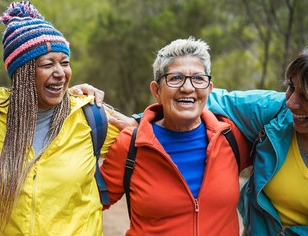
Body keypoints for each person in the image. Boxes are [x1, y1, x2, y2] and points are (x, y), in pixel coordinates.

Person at [0, 1, 119, 235]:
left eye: (65, 63)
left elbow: (150, 132)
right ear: (22, 73)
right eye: (48, 64)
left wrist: (110, 111)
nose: (60, 73)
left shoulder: (89, 117)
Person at [99, 37, 251, 235]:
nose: (187, 88)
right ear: (156, 91)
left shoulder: (231, 137)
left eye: (198, 78)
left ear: (209, 89)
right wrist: (70, 103)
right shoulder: (131, 144)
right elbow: (87, 204)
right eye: (175, 78)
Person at [206, 49, 308, 235]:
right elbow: (202, 99)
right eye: (292, 87)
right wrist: (142, 119)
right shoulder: (276, 112)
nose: (291, 103)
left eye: (306, 96)